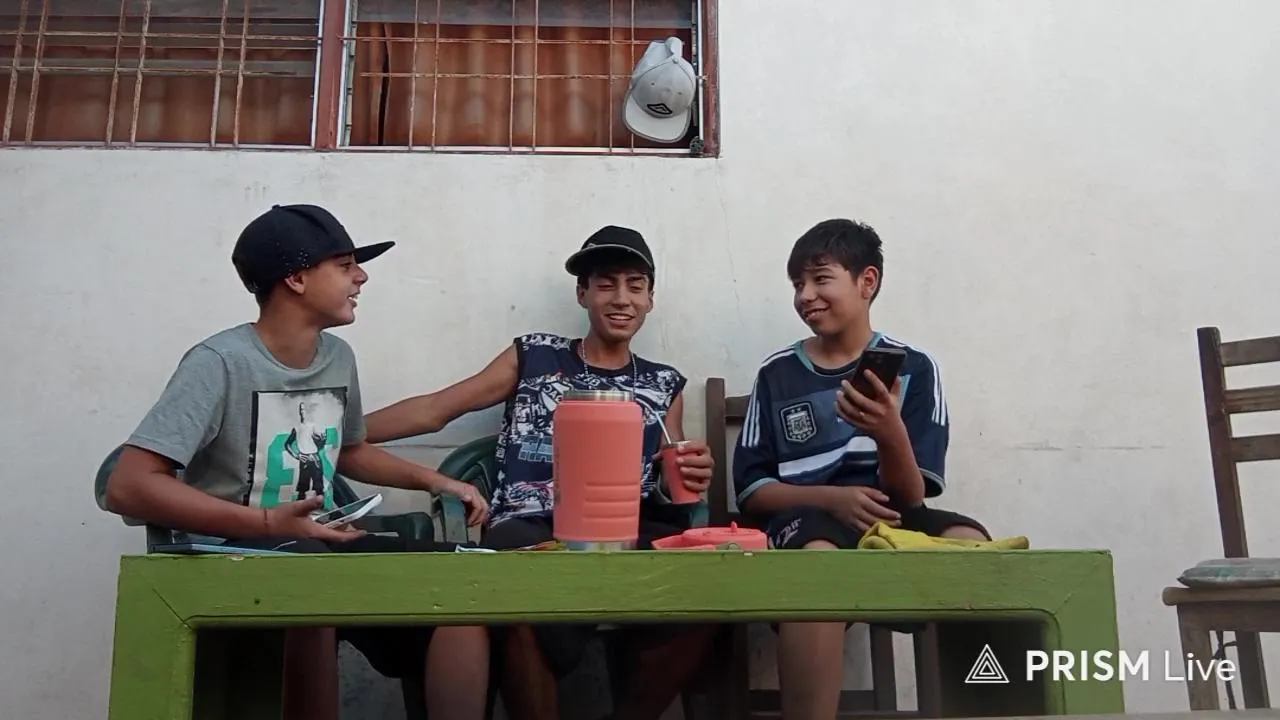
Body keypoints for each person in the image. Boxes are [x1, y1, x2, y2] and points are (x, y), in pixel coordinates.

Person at [102, 204, 492, 720]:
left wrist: (436, 481)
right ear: (297, 278)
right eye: (345, 265)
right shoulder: (219, 362)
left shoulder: (338, 357)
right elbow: (127, 485)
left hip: (316, 537)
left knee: (463, 585)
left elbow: (348, 450)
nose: (361, 277)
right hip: (232, 548)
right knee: (311, 585)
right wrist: (267, 522)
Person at [364, 225, 720, 720]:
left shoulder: (662, 383)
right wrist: (341, 434)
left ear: (650, 299)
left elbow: (669, 473)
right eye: (606, 284)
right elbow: (436, 410)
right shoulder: (534, 355)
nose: (622, 299)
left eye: (635, 286)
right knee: (516, 594)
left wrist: (690, 471)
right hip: (530, 525)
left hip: (623, 531)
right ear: (582, 294)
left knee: (707, 592)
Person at [732, 218, 992, 720]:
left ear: (866, 281)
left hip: (892, 517)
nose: (806, 296)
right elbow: (751, 489)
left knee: (972, 546)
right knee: (818, 561)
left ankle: (983, 706)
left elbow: (912, 496)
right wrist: (831, 499)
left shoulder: (915, 368)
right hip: (807, 519)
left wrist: (889, 431)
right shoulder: (776, 373)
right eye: (797, 284)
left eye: (820, 279)